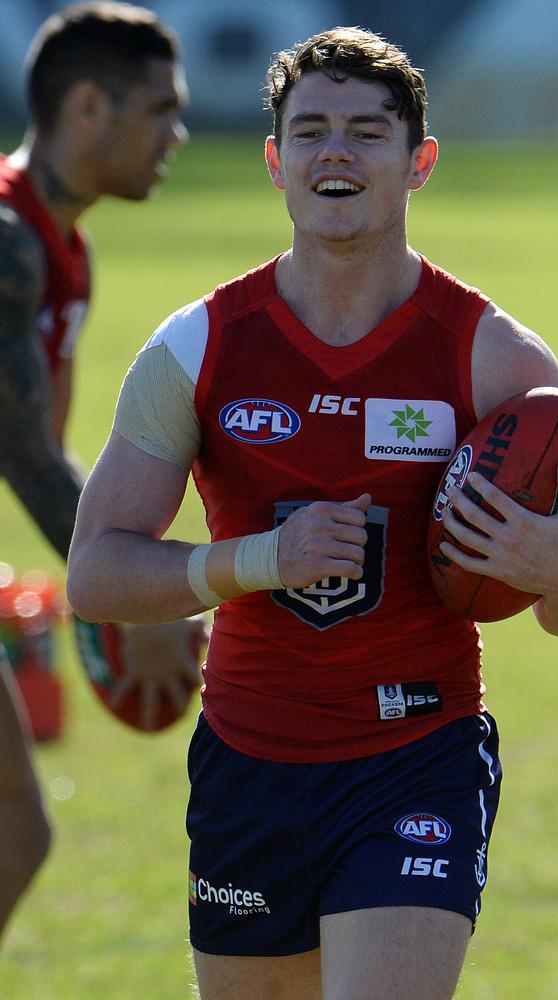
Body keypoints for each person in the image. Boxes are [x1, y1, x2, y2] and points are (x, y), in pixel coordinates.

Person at [66, 26, 558, 1000]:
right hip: (249, 759)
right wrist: (255, 561)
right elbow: (97, 575)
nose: (336, 152)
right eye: (311, 129)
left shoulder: (496, 363)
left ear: (419, 163)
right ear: (275, 160)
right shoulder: (196, 349)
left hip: (417, 755)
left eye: (368, 132)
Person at [0, 1, 198, 944]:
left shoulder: (56, 245)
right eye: (159, 108)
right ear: (88, 107)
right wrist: (130, 593)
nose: (179, 133)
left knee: (14, 836)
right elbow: (27, 453)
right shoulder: (6, 242)